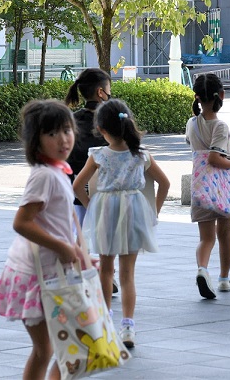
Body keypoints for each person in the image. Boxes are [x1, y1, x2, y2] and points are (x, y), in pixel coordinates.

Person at [0, 99, 87, 380]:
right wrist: (62, 247)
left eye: (67, 130)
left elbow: (67, 219)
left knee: (59, 348)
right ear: (36, 141)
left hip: (51, 272)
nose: (63, 139)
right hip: (37, 276)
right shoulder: (44, 176)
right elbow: (22, 222)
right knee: (59, 348)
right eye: (52, 133)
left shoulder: (57, 171)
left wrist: (80, 252)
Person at [72, 99, 170, 349]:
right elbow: (164, 184)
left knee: (106, 270)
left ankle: (105, 323)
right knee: (128, 274)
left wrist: (91, 206)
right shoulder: (141, 155)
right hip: (135, 210)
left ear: (101, 130)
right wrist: (153, 213)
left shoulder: (98, 155)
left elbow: (77, 186)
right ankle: (128, 326)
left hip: (106, 210)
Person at [185, 73, 230, 299]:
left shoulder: (191, 123)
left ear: (197, 98)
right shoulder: (220, 126)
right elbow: (214, 158)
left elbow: (195, 150)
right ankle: (223, 278)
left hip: (199, 186)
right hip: (220, 187)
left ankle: (202, 269)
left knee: (206, 238)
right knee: (225, 233)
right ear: (221, 95)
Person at [64, 68, 120, 295]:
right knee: (108, 235)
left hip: (78, 186)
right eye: (109, 90)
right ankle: (109, 275)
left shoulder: (72, 119)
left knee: (81, 231)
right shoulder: (112, 118)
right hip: (107, 186)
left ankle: (75, 273)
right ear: (101, 92)